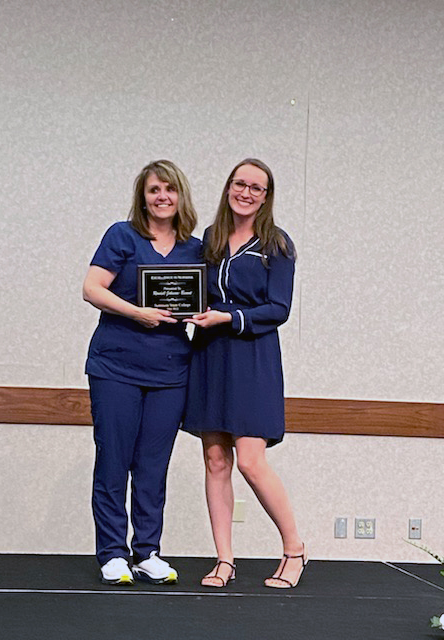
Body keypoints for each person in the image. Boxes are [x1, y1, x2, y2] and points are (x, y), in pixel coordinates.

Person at [183, 158, 306, 589]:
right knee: (216, 459)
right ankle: (224, 560)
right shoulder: (209, 240)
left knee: (251, 460)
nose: (247, 192)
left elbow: (279, 309)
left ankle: (294, 549)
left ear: (266, 196)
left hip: (252, 358)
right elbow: (190, 290)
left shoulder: (278, 245)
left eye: (257, 187)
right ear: (228, 187)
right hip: (210, 357)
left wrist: (227, 317)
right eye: (240, 183)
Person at [83, 160, 201, 585]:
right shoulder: (122, 235)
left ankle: (147, 551)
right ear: (143, 196)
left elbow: (203, 302)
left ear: (180, 195)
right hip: (116, 366)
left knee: (153, 464)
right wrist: (138, 313)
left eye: (170, 190)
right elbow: (91, 288)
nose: (162, 197)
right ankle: (112, 553)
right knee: (114, 459)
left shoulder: (196, 248)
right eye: (154, 190)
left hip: (171, 372)